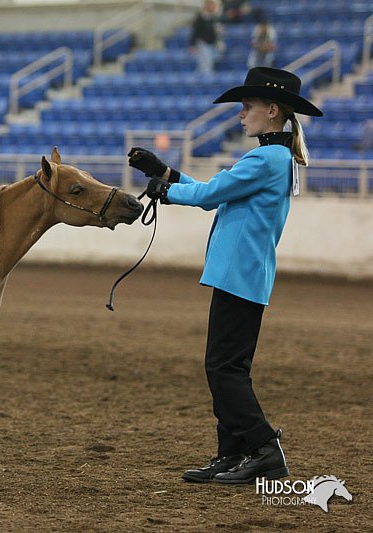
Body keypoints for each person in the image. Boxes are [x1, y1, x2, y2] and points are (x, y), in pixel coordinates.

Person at [126, 67, 323, 484]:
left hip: (239, 275)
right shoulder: (277, 157)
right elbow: (215, 191)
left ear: (272, 111)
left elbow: (209, 195)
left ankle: (264, 447)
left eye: (247, 107)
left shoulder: (266, 158)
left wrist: (165, 187)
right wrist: (165, 174)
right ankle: (232, 454)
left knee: (223, 369)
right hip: (247, 276)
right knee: (229, 367)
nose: (241, 114)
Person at [189, 0, 222, 75]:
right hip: (203, 43)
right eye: (211, 5)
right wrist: (193, 44)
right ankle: (206, 79)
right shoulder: (200, 17)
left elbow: (215, 32)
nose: (212, 7)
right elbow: (195, 31)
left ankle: (198, 78)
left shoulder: (214, 18)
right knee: (206, 64)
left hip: (212, 43)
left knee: (206, 63)